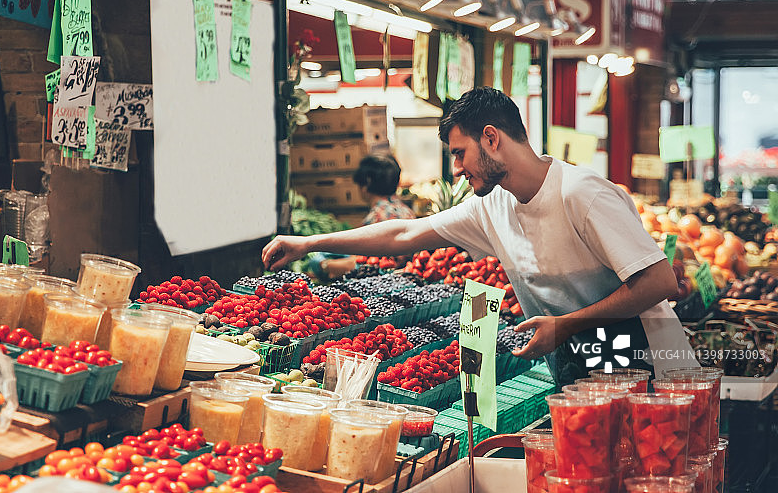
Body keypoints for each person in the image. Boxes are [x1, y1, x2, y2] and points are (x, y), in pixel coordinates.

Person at [265, 87, 696, 385]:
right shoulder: (493, 204)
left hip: (655, 367)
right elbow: (403, 234)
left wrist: (565, 325)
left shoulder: (580, 193)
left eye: (459, 153)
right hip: (587, 369)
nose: (456, 168)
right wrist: (308, 243)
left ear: (491, 138)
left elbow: (660, 282)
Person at [309, 154, 416, 279]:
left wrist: (324, 265)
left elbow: (363, 265)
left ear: (367, 183)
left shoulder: (377, 217)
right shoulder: (407, 211)